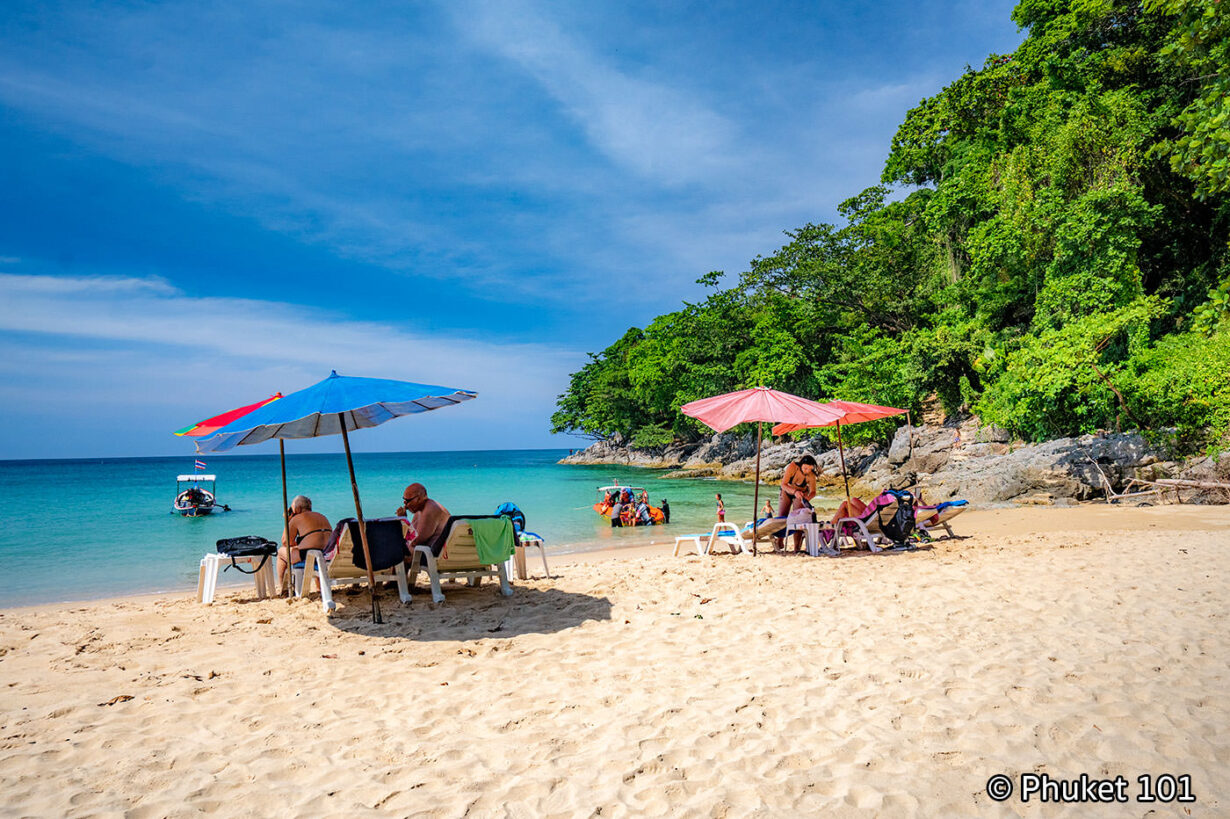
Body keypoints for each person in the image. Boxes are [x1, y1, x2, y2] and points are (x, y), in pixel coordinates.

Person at [279, 495, 331, 592]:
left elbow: (285, 542)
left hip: (308, 555)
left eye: (292, 509)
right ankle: (319, 588)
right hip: (327, 554)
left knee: (281, 552)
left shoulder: (296, 518)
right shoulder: (322, 516)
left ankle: (284, 589)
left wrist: (288, 521)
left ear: (297, 508)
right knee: (316, 551)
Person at [397, 483, 450, 560]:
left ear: (419, 498)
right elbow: (410, 538)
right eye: (404, 501)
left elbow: (415, 541)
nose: (405, 505)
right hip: (432, 552)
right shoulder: (420, 511)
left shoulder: (429, 510)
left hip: (435, 555)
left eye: (408, 501)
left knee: (396, 552)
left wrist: (403, 519)